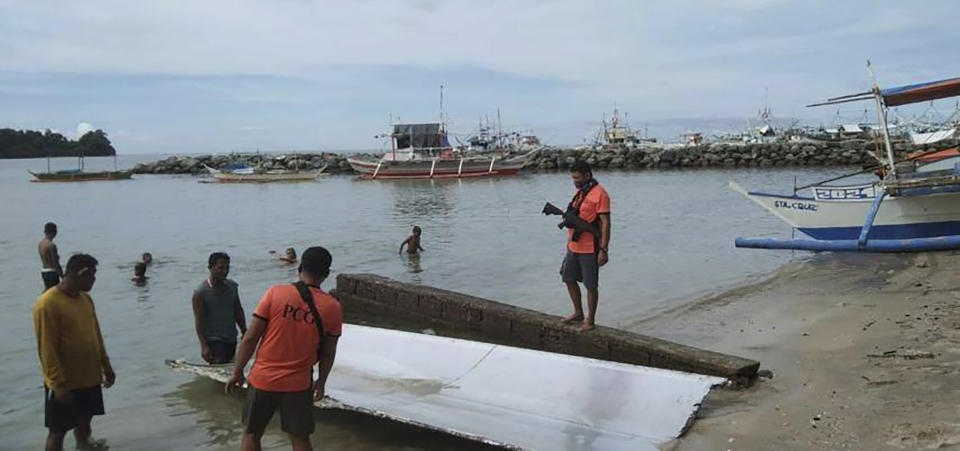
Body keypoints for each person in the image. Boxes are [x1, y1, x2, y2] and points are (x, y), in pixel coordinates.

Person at [226, 246, 342, 451]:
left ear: (300, 266)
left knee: (252, 433)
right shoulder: (333, 307)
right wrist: (321, 382)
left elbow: (251, 337)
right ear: (326, 274)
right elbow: (328, 352)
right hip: (298, 384)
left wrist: (237, 371)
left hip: (263, 379)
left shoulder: (275, 293)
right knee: (300, 439)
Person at [33, 254, 115, 451]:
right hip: (65, 380)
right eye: (93, 275)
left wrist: (106, 365)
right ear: (81, 273)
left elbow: (96, 334)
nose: (94, 280)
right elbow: (47, 349)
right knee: (57, 430)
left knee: (85, 421)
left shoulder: (86, 299)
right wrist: (58, 384)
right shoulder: (47, 304)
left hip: (89, 375)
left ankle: (84, 446)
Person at [559, 160, 611, 331]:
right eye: (573, 178)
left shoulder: (600, 194)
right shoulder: (581, 193)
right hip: (573, 245)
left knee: (590, 285)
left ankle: (590, 320)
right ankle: (578, 312)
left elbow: (605, 223)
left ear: (588, 175)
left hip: (590, 247)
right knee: (568, 278)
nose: (575, 181)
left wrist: (603, 249)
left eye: (578, 178)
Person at [192, 252, 246, 364]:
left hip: (231, 336)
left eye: (227, 268)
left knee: (230, 365)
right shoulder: (201, 292)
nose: (225, 271)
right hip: (214, 339)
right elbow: (199, 321)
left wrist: (244, 331)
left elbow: (238, 310)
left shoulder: (232, 286)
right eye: (220, 268)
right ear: (210, 268)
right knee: (219, 363)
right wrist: (204, 346)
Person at [39, 222, 63, 291]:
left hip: (44, 271)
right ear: (55, 232)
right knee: (55, 293)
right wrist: (62, 276)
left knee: (48, 291)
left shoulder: (41, 244)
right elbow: (55, 262)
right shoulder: (51, 245)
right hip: (52, 272)